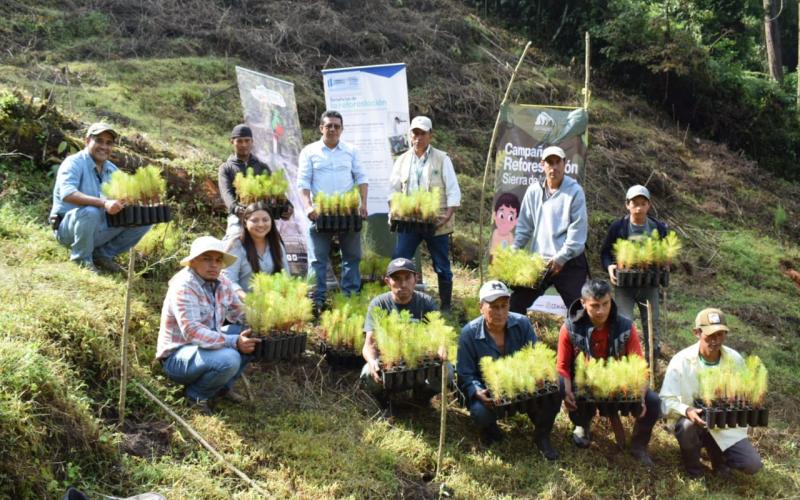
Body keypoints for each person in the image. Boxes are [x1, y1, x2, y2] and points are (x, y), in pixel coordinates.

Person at [557, 279, 660, 466]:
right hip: (585, 383)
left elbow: (640, 367)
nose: (601, 311)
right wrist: (567, 391)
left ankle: (639, 445)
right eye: (595, 306)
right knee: (565, 387)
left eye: (605, 304)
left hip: (617, 385)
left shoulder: (626, 326)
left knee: (653, 401)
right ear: (583, 303)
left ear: (610, 299)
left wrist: (641, 395)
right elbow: (562, 367)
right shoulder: (570, 328)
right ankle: (582, 425)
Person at [156, 236, 260, 414]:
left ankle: (221, 388)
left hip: (207, 349)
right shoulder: (184, 285)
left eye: (218, 260)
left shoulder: (222, 282)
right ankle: (196, 396)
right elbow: (192, 332)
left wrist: (271, 322)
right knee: (229, 358)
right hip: (178, 356)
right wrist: (234, 341)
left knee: (253, 336)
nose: (214, 265)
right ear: (193, 262)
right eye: (207, 259)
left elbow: (239, 312)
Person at [456, 280, 560, 458]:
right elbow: (465, 373)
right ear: (481, 307)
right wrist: (477, 390)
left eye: (504, 306)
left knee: (558, 389)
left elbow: (536, 357)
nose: (500, 312)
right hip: (492, 391)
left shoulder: (522, 324)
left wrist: (540, 374)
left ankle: (542, 435)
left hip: (522, 385)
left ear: (509, 305)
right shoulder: (469, 333)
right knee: (480, 412)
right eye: (493, 307)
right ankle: (489, 429)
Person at [659, 308, 763, 478]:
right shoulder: (681, 361)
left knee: (752, 464)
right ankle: (694, 469)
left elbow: (745, 394)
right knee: (687, 427)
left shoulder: (735, 359)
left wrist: (751, 398)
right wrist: (687, 410)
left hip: (724, 424)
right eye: (710, 335)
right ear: (697, 333)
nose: (715, 340)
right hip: (694, 423)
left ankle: (720, 461)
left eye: (720, 334)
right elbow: (665, 401)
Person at [49, 122, 151, 273]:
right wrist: (104, 203)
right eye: (99, 141)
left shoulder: (112, 169)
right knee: (91, 211)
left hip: (97, 229)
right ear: (87, 141)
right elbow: (68, 194)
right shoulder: (73, 163)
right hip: (68, 231)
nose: (104, 147)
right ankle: (81, 258)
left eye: (109, 143)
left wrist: (132, 200)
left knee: (145, 217)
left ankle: (103, 255)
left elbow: (123, 197)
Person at [388, 116, 461, 311]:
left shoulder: (442, 159)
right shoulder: (402, 160)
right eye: (415, 133)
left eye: (422, 133)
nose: (418, 137)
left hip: (436, 223)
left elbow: (453, 191)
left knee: (441, 265)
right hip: (409, 223)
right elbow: (394, 190)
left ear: (430, 135)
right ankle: (398, 302)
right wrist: (394, 210)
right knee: (400, 260)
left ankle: (446, 307)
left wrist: (447, 216)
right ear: (410, 135)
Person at [297, 110, 369, 307]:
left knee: (352, 257)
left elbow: (361, 178)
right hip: (319, 214)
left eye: (337, 126)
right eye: (329, 126)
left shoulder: (351, 151)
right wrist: (308, 207)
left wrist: (363, 204)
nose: (333, 129)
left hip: (347, 213)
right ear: (321, 128)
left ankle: (350, 299)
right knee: (317, 259)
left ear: (342, 129)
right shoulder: (309, 152)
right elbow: (303, 183)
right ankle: (316, 301)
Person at [510, 146, 588, 315]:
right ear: (542, 165)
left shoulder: (575, 192)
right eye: (549, 163)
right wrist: (514, 251)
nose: (554, 167)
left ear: (565, 163)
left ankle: (578, 333)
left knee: (579, 312)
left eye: (557, 162)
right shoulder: (533, 191)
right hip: (540, 262)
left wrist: (561, 258)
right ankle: (520, 332)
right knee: (515, 305)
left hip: (570, 262)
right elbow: (524, 228)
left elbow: (577, 233)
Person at [600, 185, 668, 360]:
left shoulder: (657, 228)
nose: (638, 208)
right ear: (627, 205)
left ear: (649, 205)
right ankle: (625, 363)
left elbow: (665, 253)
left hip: (649, 284)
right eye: (634, 203)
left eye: (643, 204)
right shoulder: (618, 227)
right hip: (624, 285)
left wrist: (664, 263)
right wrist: (609, 267)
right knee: (624, 323)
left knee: (652, 325)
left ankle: (651, 363)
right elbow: (605, 252)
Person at [361, 258, 440, 405]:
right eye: (396, 279)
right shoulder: (379, 304)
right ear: (387, 281)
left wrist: (441, 347)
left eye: (407, 278)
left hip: (418, 359)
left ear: (416, 279)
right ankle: (385, 400)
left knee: (447, 370)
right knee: (367, 372)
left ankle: (421, 398)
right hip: (389, 361)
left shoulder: (426, 302)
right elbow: (369, 344)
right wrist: (372, 361)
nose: (403, 284)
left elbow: (439, 335)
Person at [218, 124, 293, 240]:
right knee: (233, 242)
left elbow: (275, 190)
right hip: (238, 218)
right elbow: (226, 193)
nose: (244, 145)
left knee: (278, 246)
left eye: (247, 141)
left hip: (262, 218)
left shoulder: (262, 167)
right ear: (232, 142)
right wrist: (236, 209)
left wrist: (288, 206)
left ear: (252, 142)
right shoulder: (226, 168)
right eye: (239, 141)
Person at [222, 201, 290, 300]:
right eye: (255, 220)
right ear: (245, 222)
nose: (261, 224)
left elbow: (286, 277)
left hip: (273, 304)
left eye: (265, 220)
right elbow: (228, 280)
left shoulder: (277, 245)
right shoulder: (236, 246)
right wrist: (248, 300)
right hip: (242, 305)